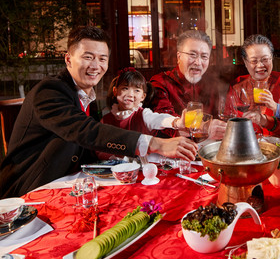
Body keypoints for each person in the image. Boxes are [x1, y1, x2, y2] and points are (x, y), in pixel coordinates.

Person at [0, 26, 197, 198]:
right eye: (88, 57)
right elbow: (85, 130)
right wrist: (156, 144)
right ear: (68, 59)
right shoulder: (50, 90)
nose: (96, 66)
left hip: (70, 185)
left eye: (102, 58)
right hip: (29, 192)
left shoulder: (88, 97)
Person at [149, 30, 226, 139]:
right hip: (172, 151)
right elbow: (160, 126)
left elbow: (221, 117)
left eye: (204, 57)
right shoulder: (160, 83)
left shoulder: (211, 85)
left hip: (207, 149)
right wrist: (204, 129)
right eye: (192, 55)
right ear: (178, 56)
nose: (198, 62)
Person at [97, 68, 186, 160]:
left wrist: (176, 122)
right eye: (125, 88)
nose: (130, 94)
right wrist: (113, 158)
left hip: (143, 168)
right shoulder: (106, 120)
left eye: (137, 90)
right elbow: (99, 148)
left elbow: (159, 119)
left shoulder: (144, 115)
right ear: (115, 91)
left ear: (143, 96)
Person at [225, 34, 280, 136]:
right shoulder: (237, 86)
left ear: (272, 58)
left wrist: (266, 121)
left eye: (265, 59)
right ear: (245, 62)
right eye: (254, 61)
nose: (260, 65)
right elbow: (228, 120)